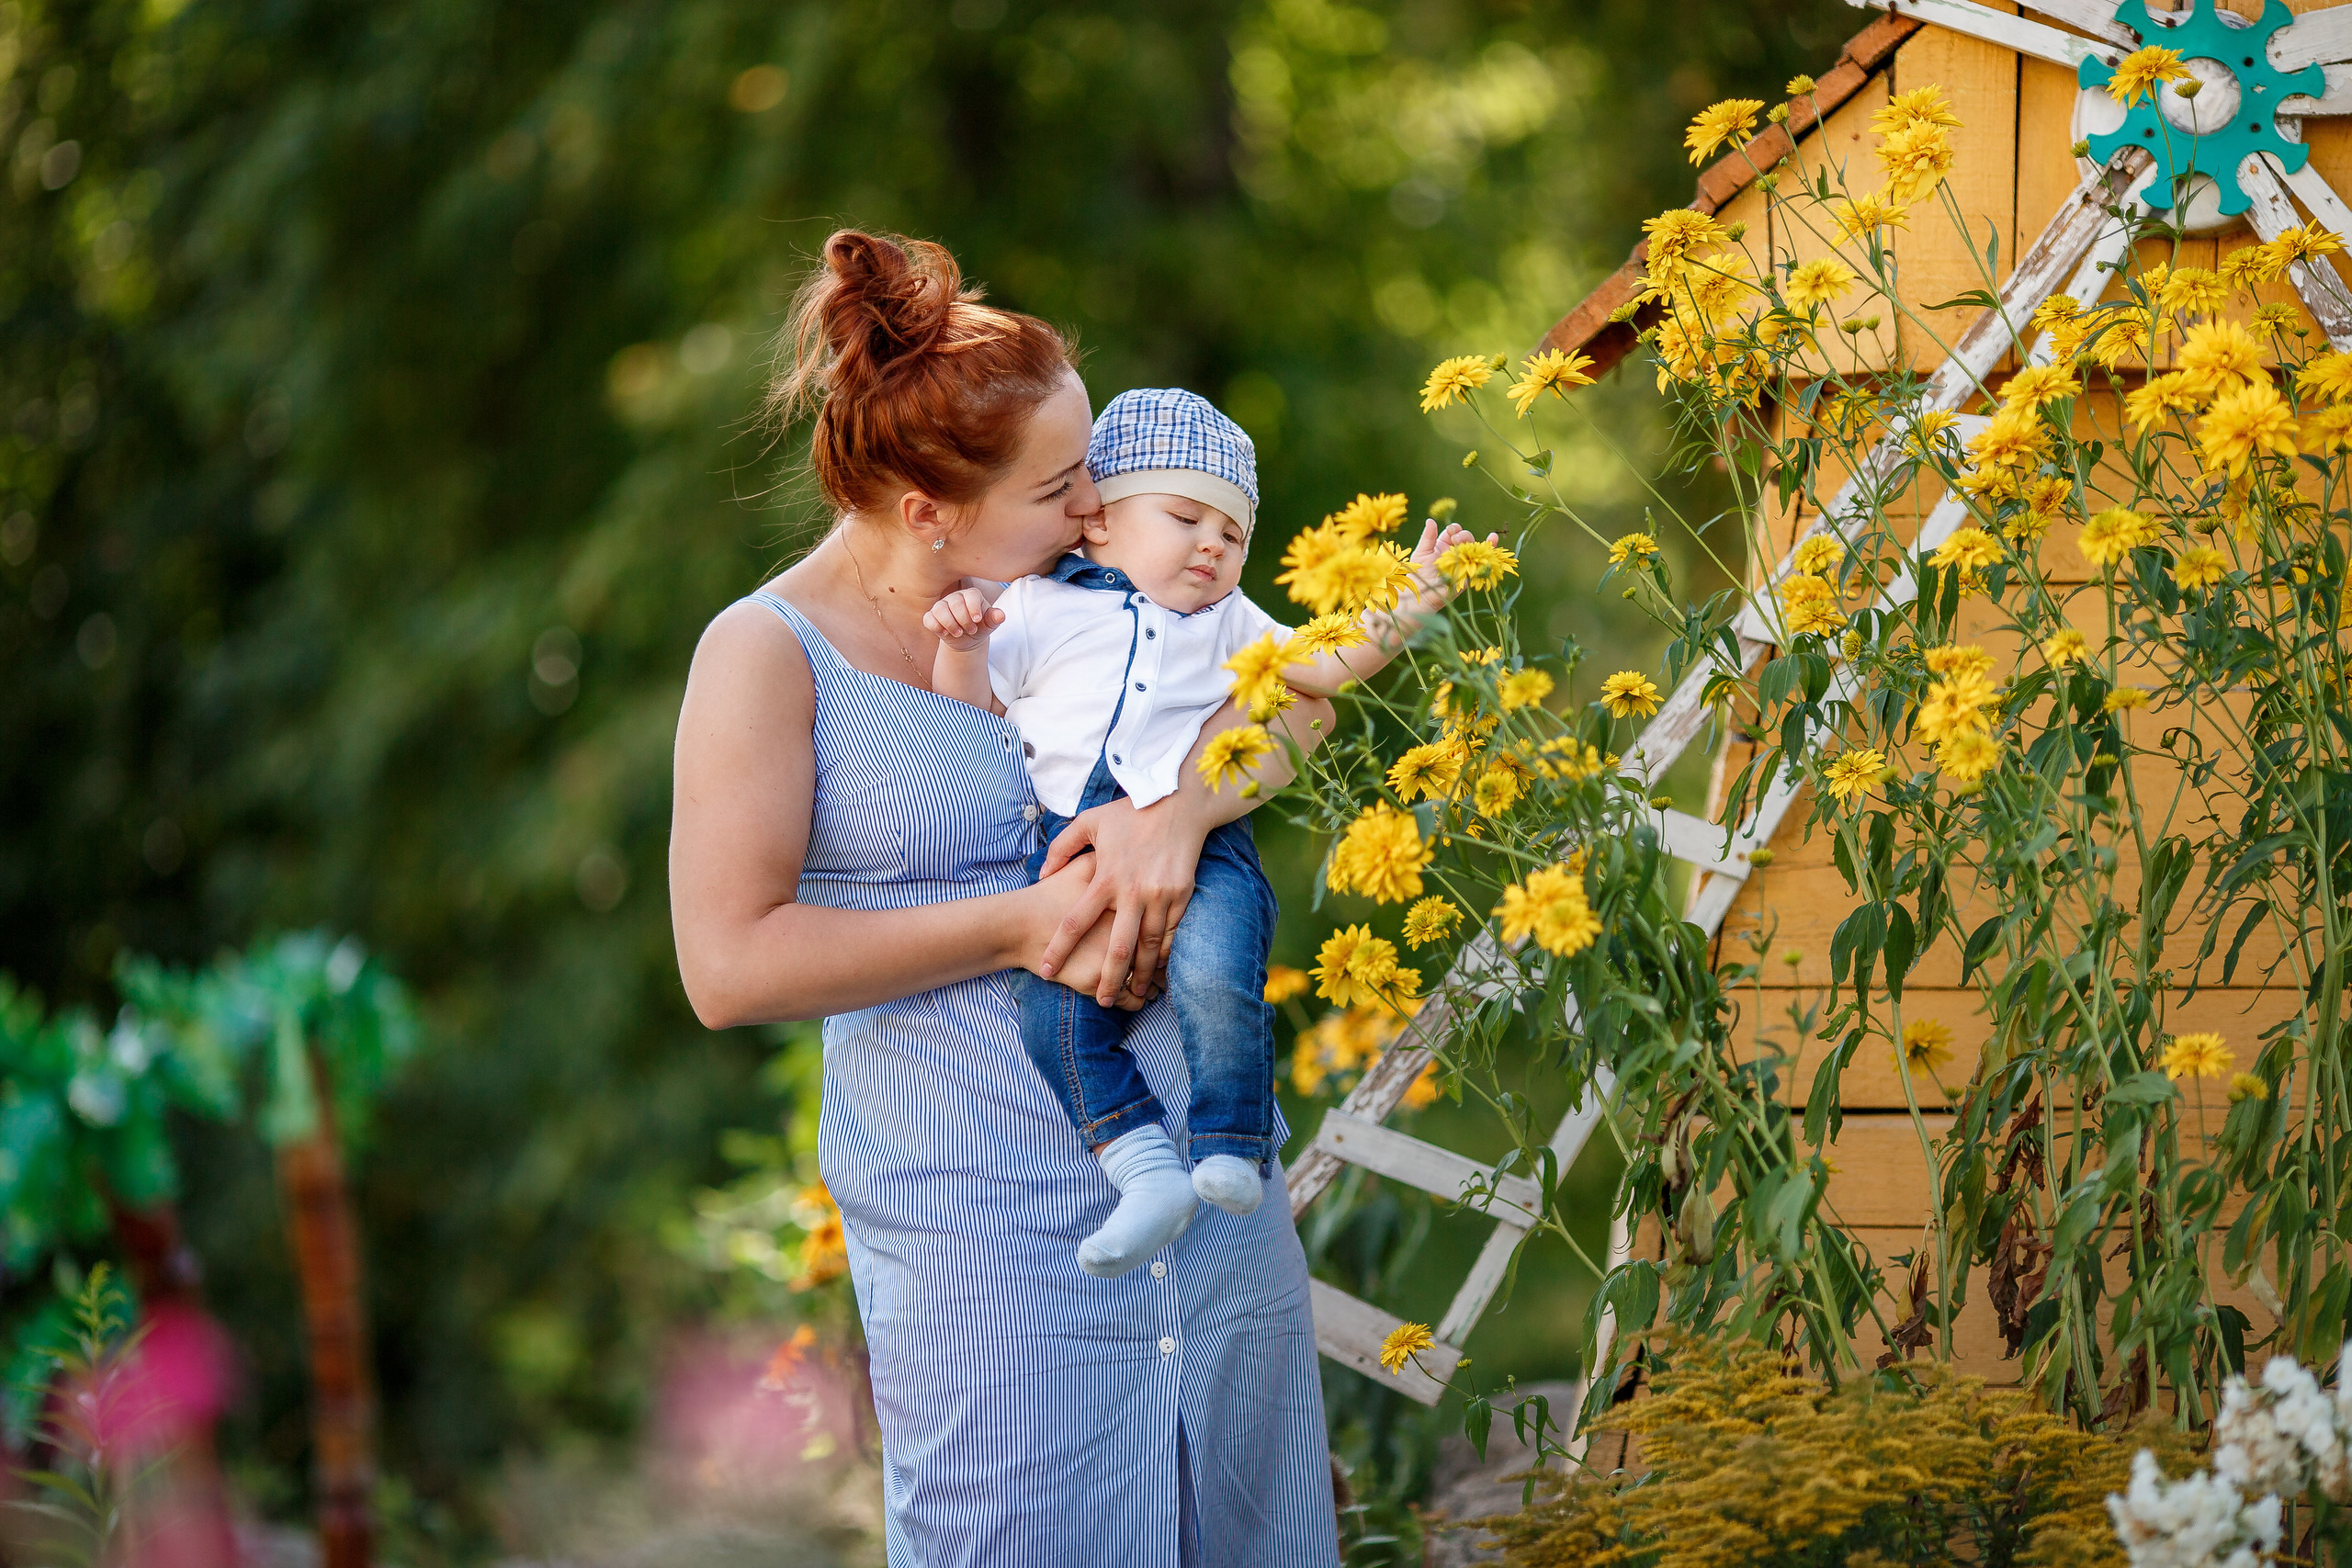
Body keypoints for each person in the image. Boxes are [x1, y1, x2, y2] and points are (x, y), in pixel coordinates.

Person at [667, 230, 1341, 1564]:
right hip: (978, 1220)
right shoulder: (767, 653)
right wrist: (1015, 923)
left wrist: (1182, 813)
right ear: (928, 508)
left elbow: (1295, 694)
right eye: (1062, 485)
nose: (1099, 504)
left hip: (1206, 1183)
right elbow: (728, 965)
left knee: (1250, 1523)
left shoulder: (1092, 580)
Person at [922, 388, 1475, 1279]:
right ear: (1098, 523)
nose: (1212, 545)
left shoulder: (1234, 625)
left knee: (1217, 973)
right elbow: (971, 714)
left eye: (1233, 533)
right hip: (1064, 845)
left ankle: (1230, 1139)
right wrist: (962, 643)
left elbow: (1325, 669)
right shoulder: (1033, 607)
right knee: (1052, 1009)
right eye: (1184, 517)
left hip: (1205, 844)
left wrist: (1408, 605)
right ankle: (1140, 1167)